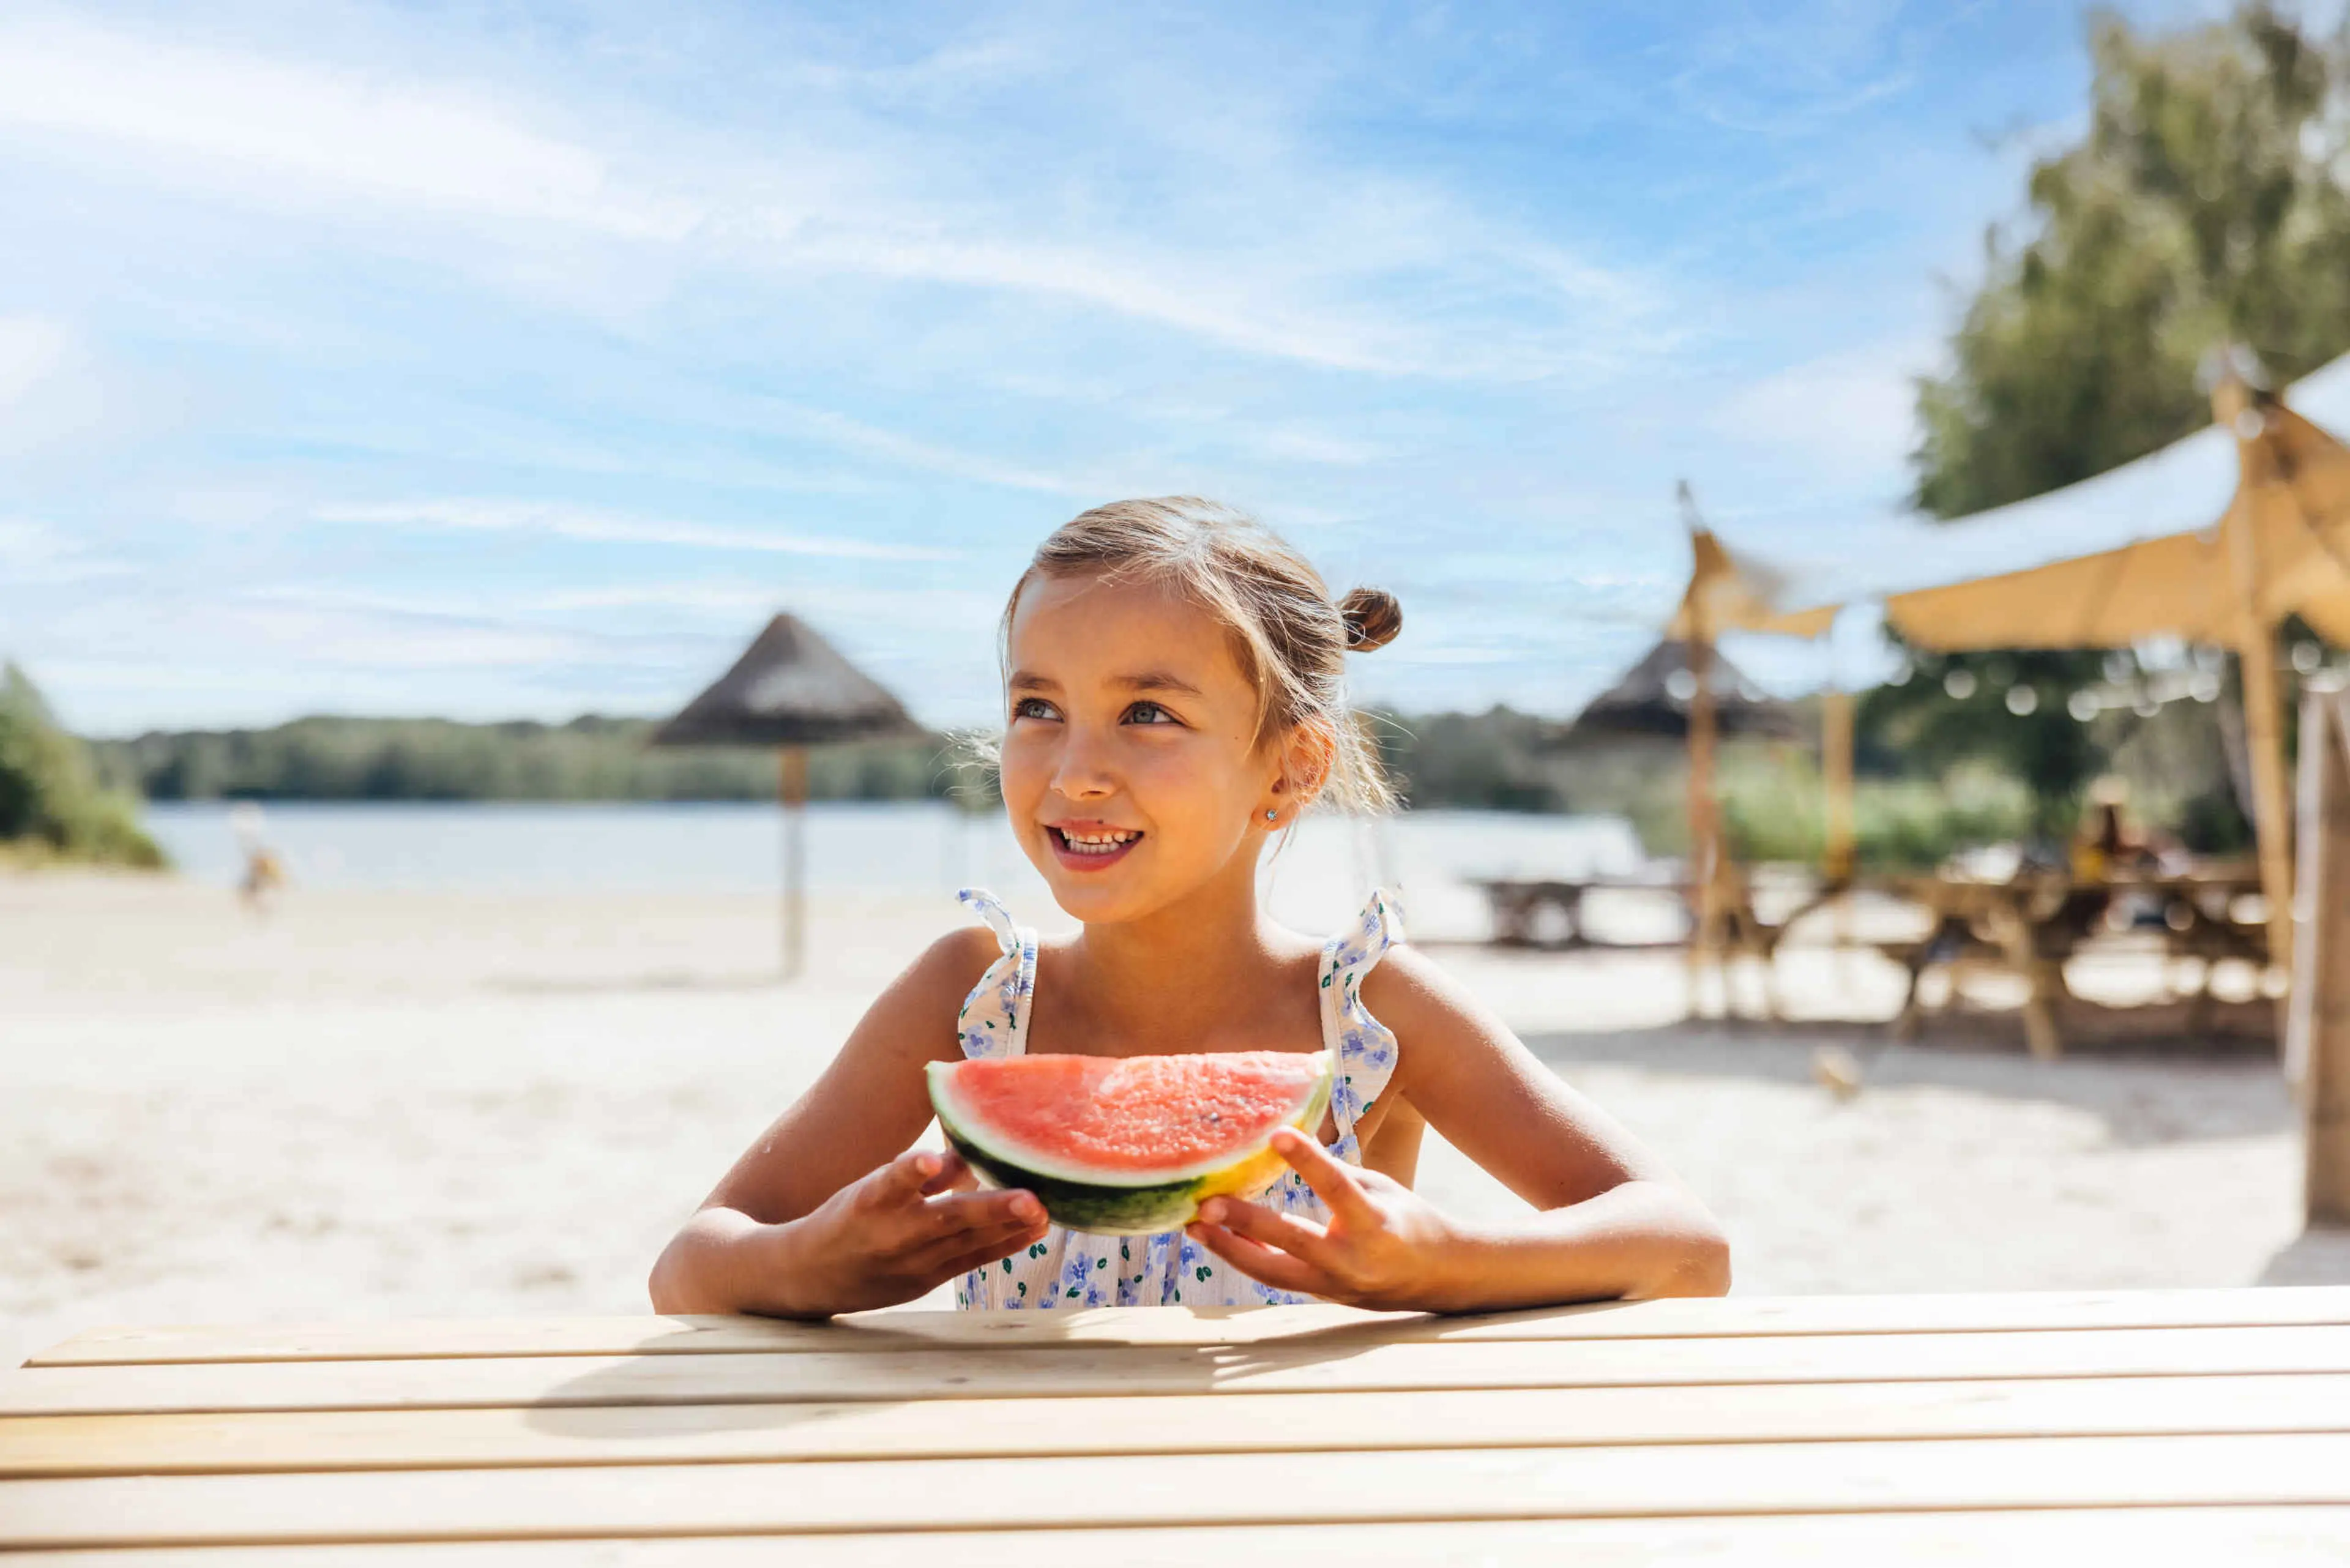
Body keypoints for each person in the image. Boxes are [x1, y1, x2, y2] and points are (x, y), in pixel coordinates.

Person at [650, 499, 1729, 1317]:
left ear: (1290, 771)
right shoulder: (972, 998)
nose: (1075, 770)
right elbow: (688, 1265)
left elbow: (1686, 1243)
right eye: (1038, 705)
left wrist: (1446, 1258)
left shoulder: (1369, 1010)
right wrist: (805, 1259)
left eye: (1147, 712)